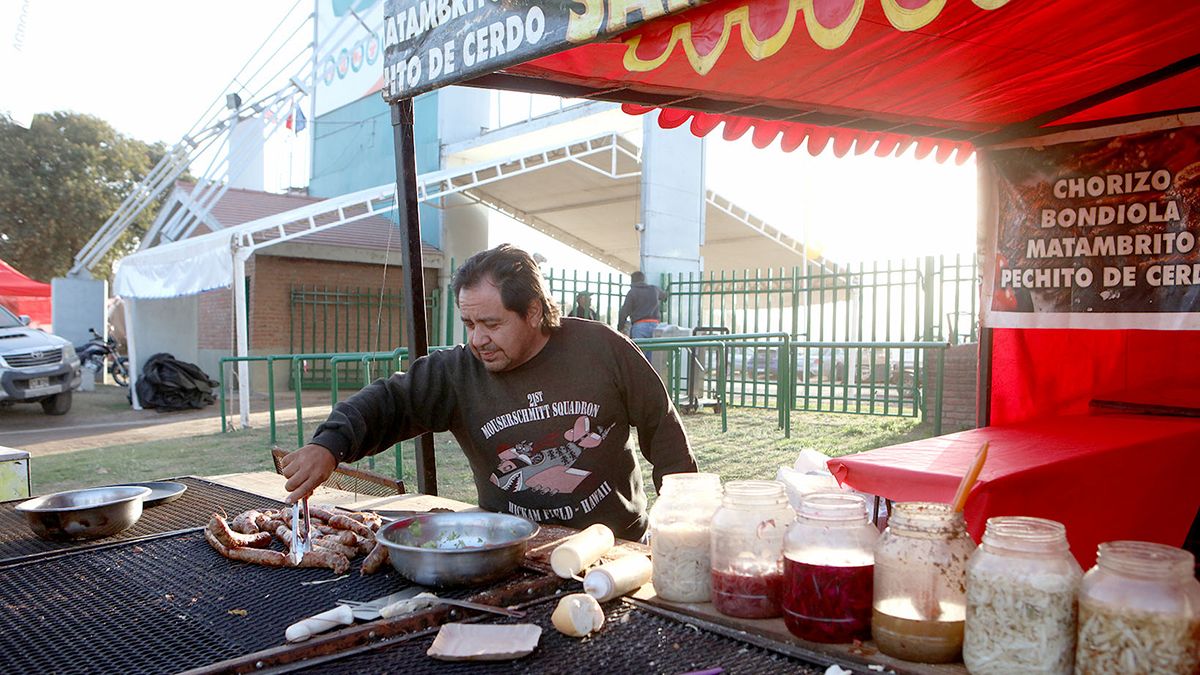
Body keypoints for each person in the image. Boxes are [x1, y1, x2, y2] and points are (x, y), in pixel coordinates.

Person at [280, 244, 698, 540]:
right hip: (513, 546)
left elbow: (664, 434)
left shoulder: (603, 348)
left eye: (492, 325)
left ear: (533, 311)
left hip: (613, 545)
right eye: (469, 324)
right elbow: (391, 400)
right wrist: (329, 446)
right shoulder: (457, 372)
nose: (477, 339)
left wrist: (684, 521)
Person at [618, 271, 668, 343]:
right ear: (644, 280)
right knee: (654, 352)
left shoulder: (632, 292)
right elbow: (664, 296)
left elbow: (624, 312)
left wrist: (620, 327)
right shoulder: (654, 289)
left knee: (639, 352)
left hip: (639, 325)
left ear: (632, 281)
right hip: (655, 325)